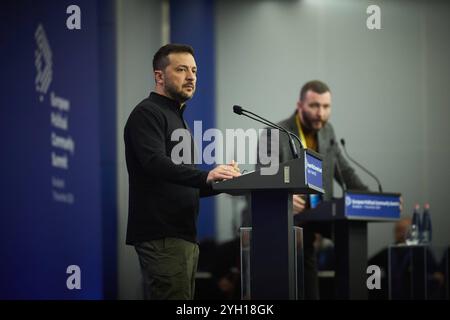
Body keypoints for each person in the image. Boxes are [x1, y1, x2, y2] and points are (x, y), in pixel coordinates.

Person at [124, 44, 241, 300]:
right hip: (162, 235)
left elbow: (182, 184)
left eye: (195, 71)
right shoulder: (147, 113)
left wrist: (222, 184)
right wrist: (205, 176)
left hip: (183, 235)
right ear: (159, 76)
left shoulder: (178, 119)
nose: (191, 77)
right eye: (181, 69)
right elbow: (154, 162)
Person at [258, 80, 368, 299]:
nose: (321, 113)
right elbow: (262, 178)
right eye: (314, 106)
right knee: (305, 287)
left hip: (321, 213)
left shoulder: (328, 132)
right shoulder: (274, 134)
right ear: (300, 105)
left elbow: (344, 171)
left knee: (351, 232)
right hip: (290, 221)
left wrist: (373, 198)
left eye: (326, 107)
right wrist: (285, 196)